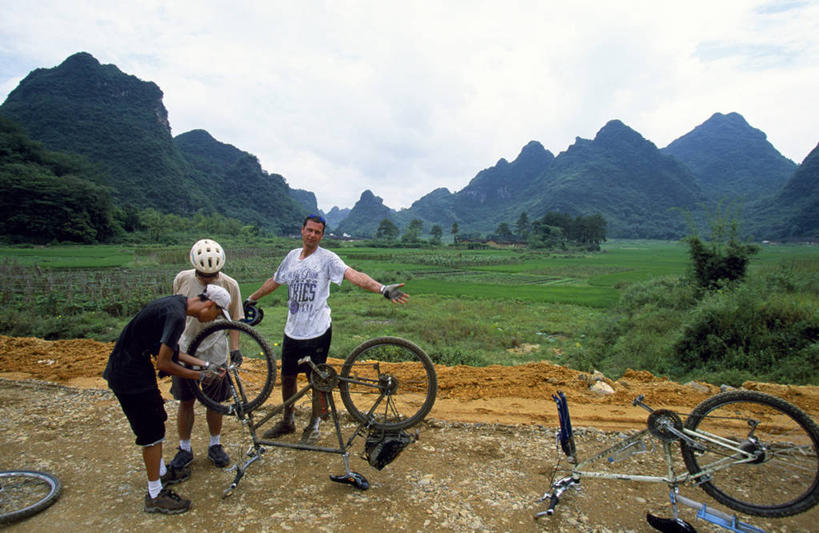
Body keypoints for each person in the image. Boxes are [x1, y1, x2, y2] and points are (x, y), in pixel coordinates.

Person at [244, 214, 409, 444]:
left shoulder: (328, 259)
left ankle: (314, 425)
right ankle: (288, 420)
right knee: (288, 376)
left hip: (318, 331)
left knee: (318, 379)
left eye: (317, 232)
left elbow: (354, 276)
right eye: (309, 230)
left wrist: (381, 289)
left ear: (321, 235)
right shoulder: (291, 257)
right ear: (302, 230)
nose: (312, 235)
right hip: (293, 330)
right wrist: (252, 298)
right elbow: (275, 280)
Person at [102, 285, 231, 515]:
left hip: (135, 369)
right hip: (129, 375)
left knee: (157, 419)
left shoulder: (175, 305)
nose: (214, 319)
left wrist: (206, 365)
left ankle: (162, 474)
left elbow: (171, 351)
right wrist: (199, 375)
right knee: (151, 432)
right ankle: (154, 495)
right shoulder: (176, 316)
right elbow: (164, 363)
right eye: (218, 314)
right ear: (210, 305)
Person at [167, 239, 244, 474]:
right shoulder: (182, 279)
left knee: (215, 402)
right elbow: (175, 311)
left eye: (214, 275)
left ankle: (215, 445)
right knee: (186, 401)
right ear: (195, 268)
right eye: (204, 276)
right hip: (185, 347)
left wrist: (234, 348)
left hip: (215, 350)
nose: (209, 280)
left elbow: (235, 320)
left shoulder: (230, 285)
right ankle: (184, 448)